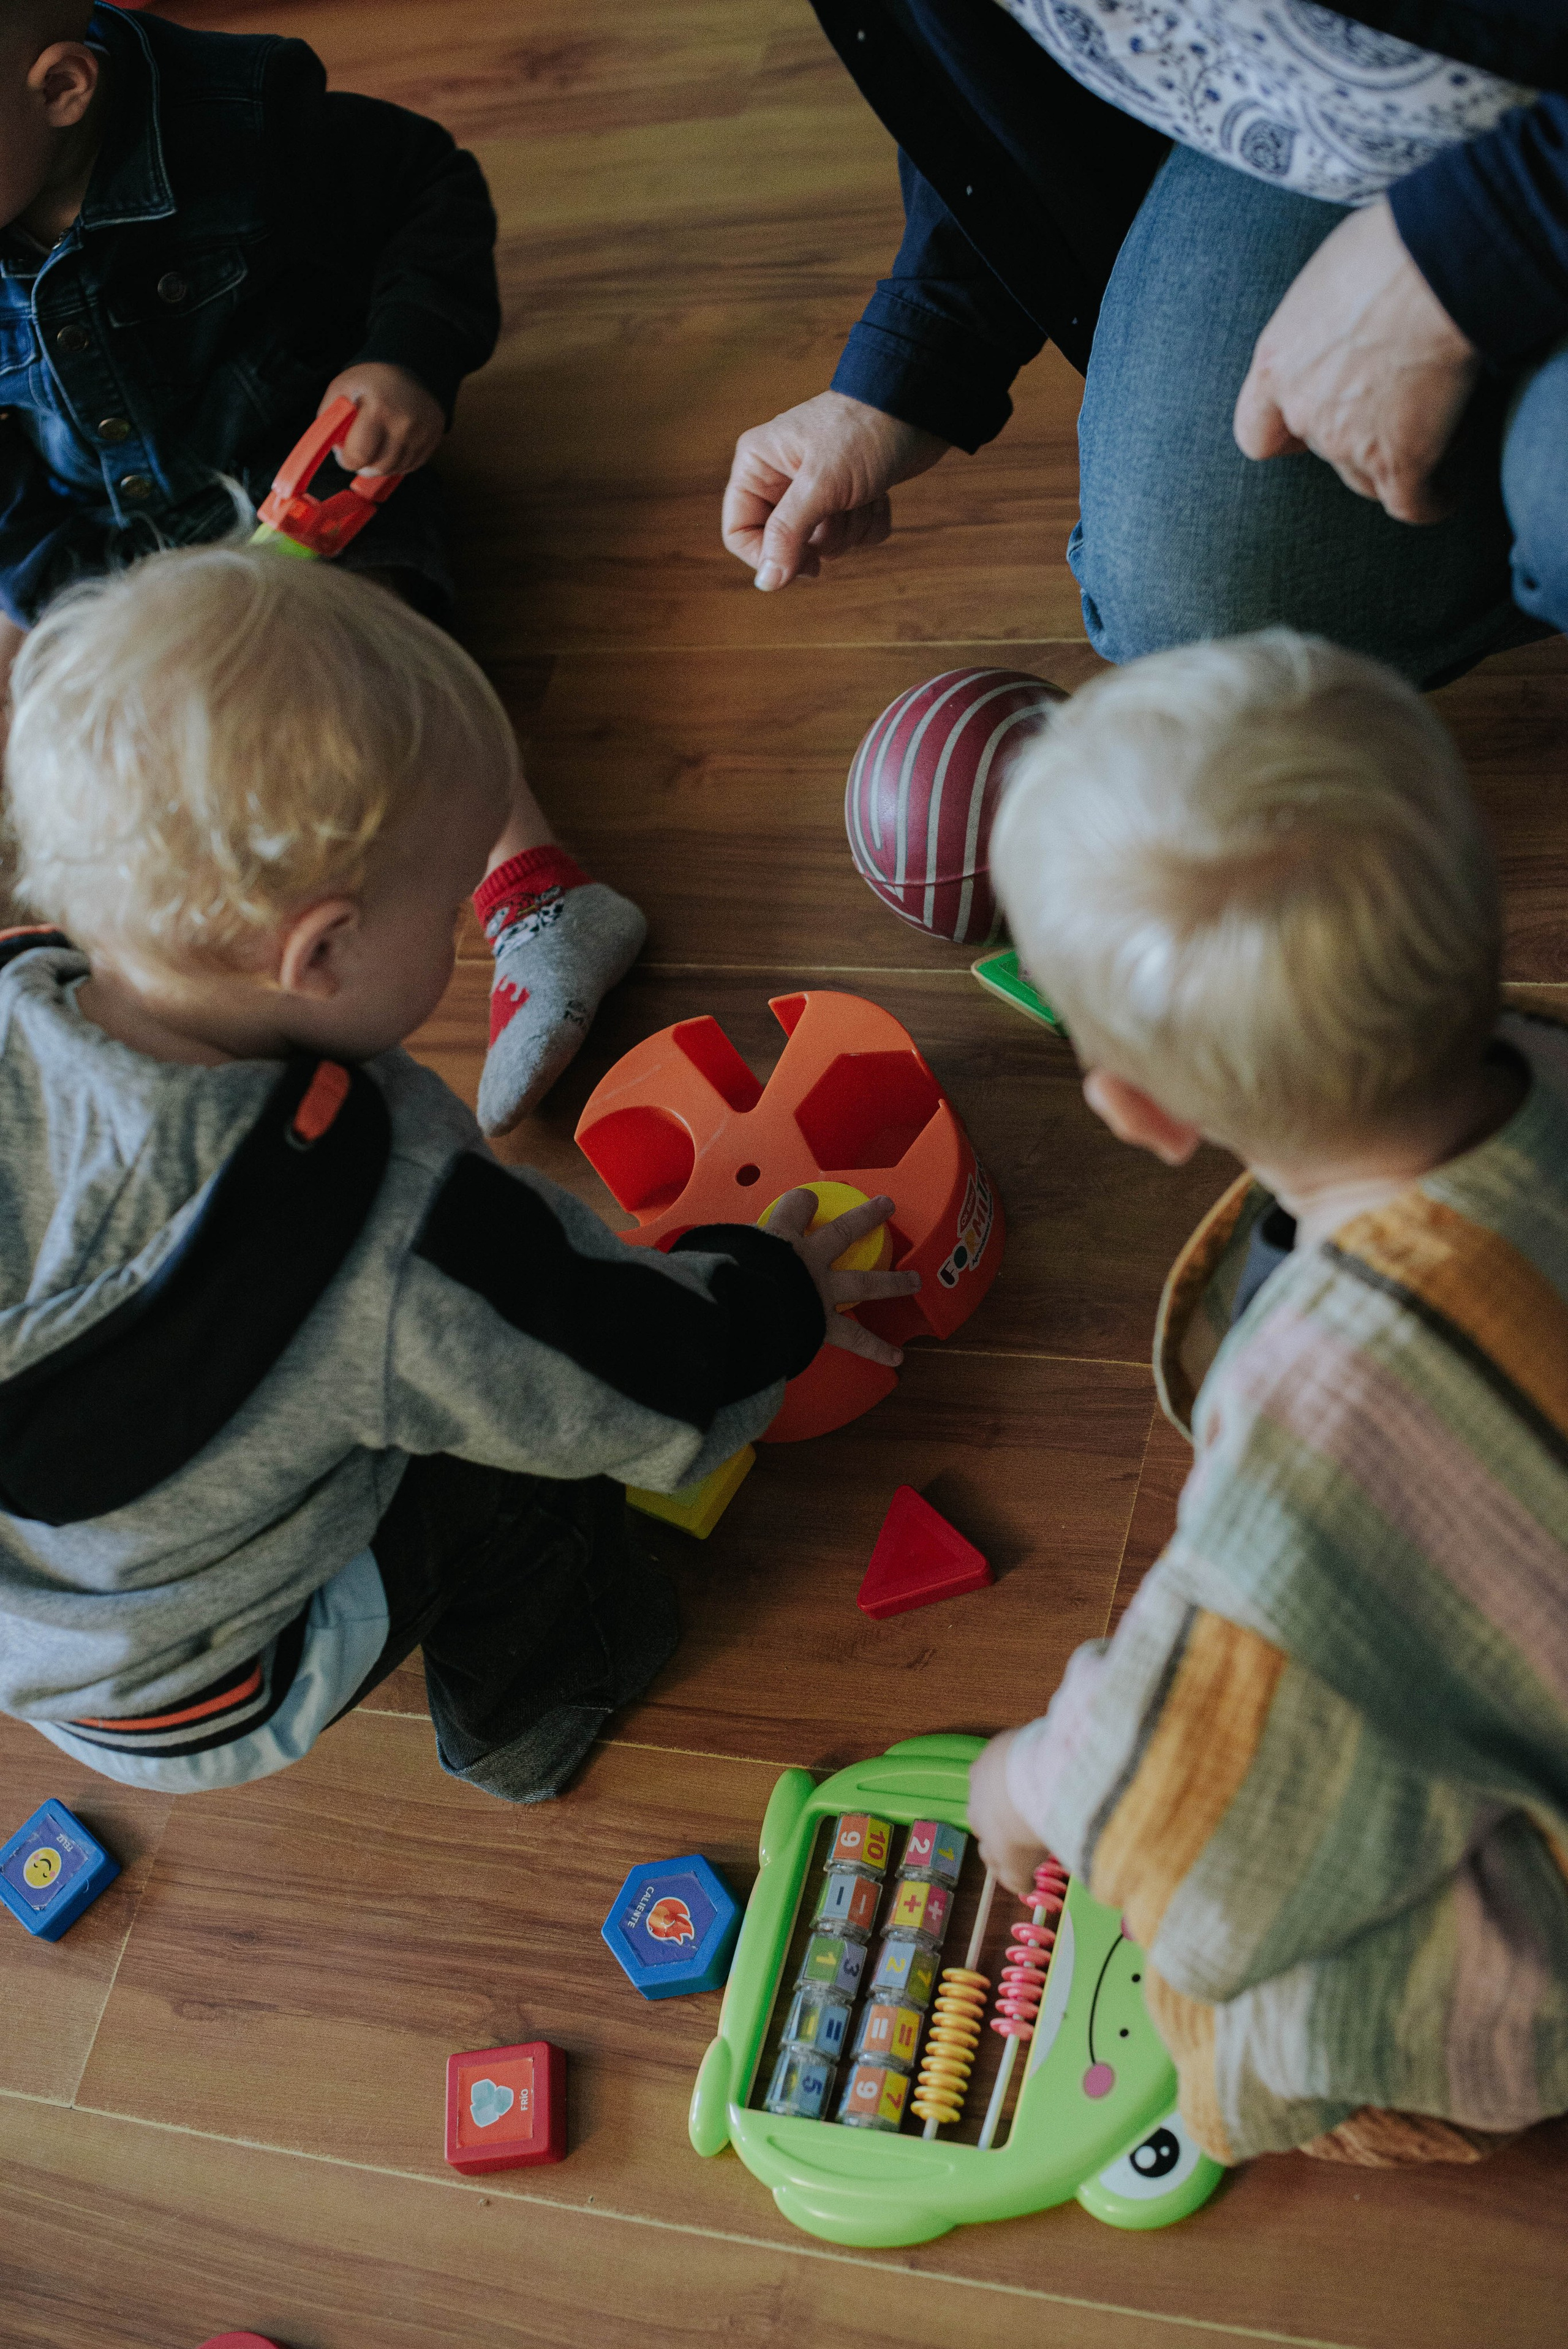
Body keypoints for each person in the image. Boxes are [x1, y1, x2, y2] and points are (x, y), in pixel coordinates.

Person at [0, 546, 918, 1801]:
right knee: (512, 1451)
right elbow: (615, 1367)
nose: (463, 943)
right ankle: (536, 1704)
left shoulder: (19, 992)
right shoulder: (365, 1222)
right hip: (208, 1679)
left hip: (43, 1613)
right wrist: (773, 1295)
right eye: (446, 915)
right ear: (319, 951)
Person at [966, 632, 1568, 2168]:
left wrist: (1030, 1774)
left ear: (1137, 1108)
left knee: (1271, 1989)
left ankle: (1420, 2099)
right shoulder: (1542, 1057)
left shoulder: (1326, 1430)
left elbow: (1211, 1756)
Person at [0, 1, 641, 1132]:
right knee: (54, 705)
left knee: (348, 681)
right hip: (97, 526)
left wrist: (405, 359)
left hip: (312, 487)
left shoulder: (242, 122)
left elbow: (428, 194)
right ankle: (95, 953)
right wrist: (62, 607)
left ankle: (537, 890)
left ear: (60, 92)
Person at [723, 3, 1568, 688]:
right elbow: (998, 52)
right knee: (1187, 608)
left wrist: (1458, 251)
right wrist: (915, 360)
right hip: (1302, 109)